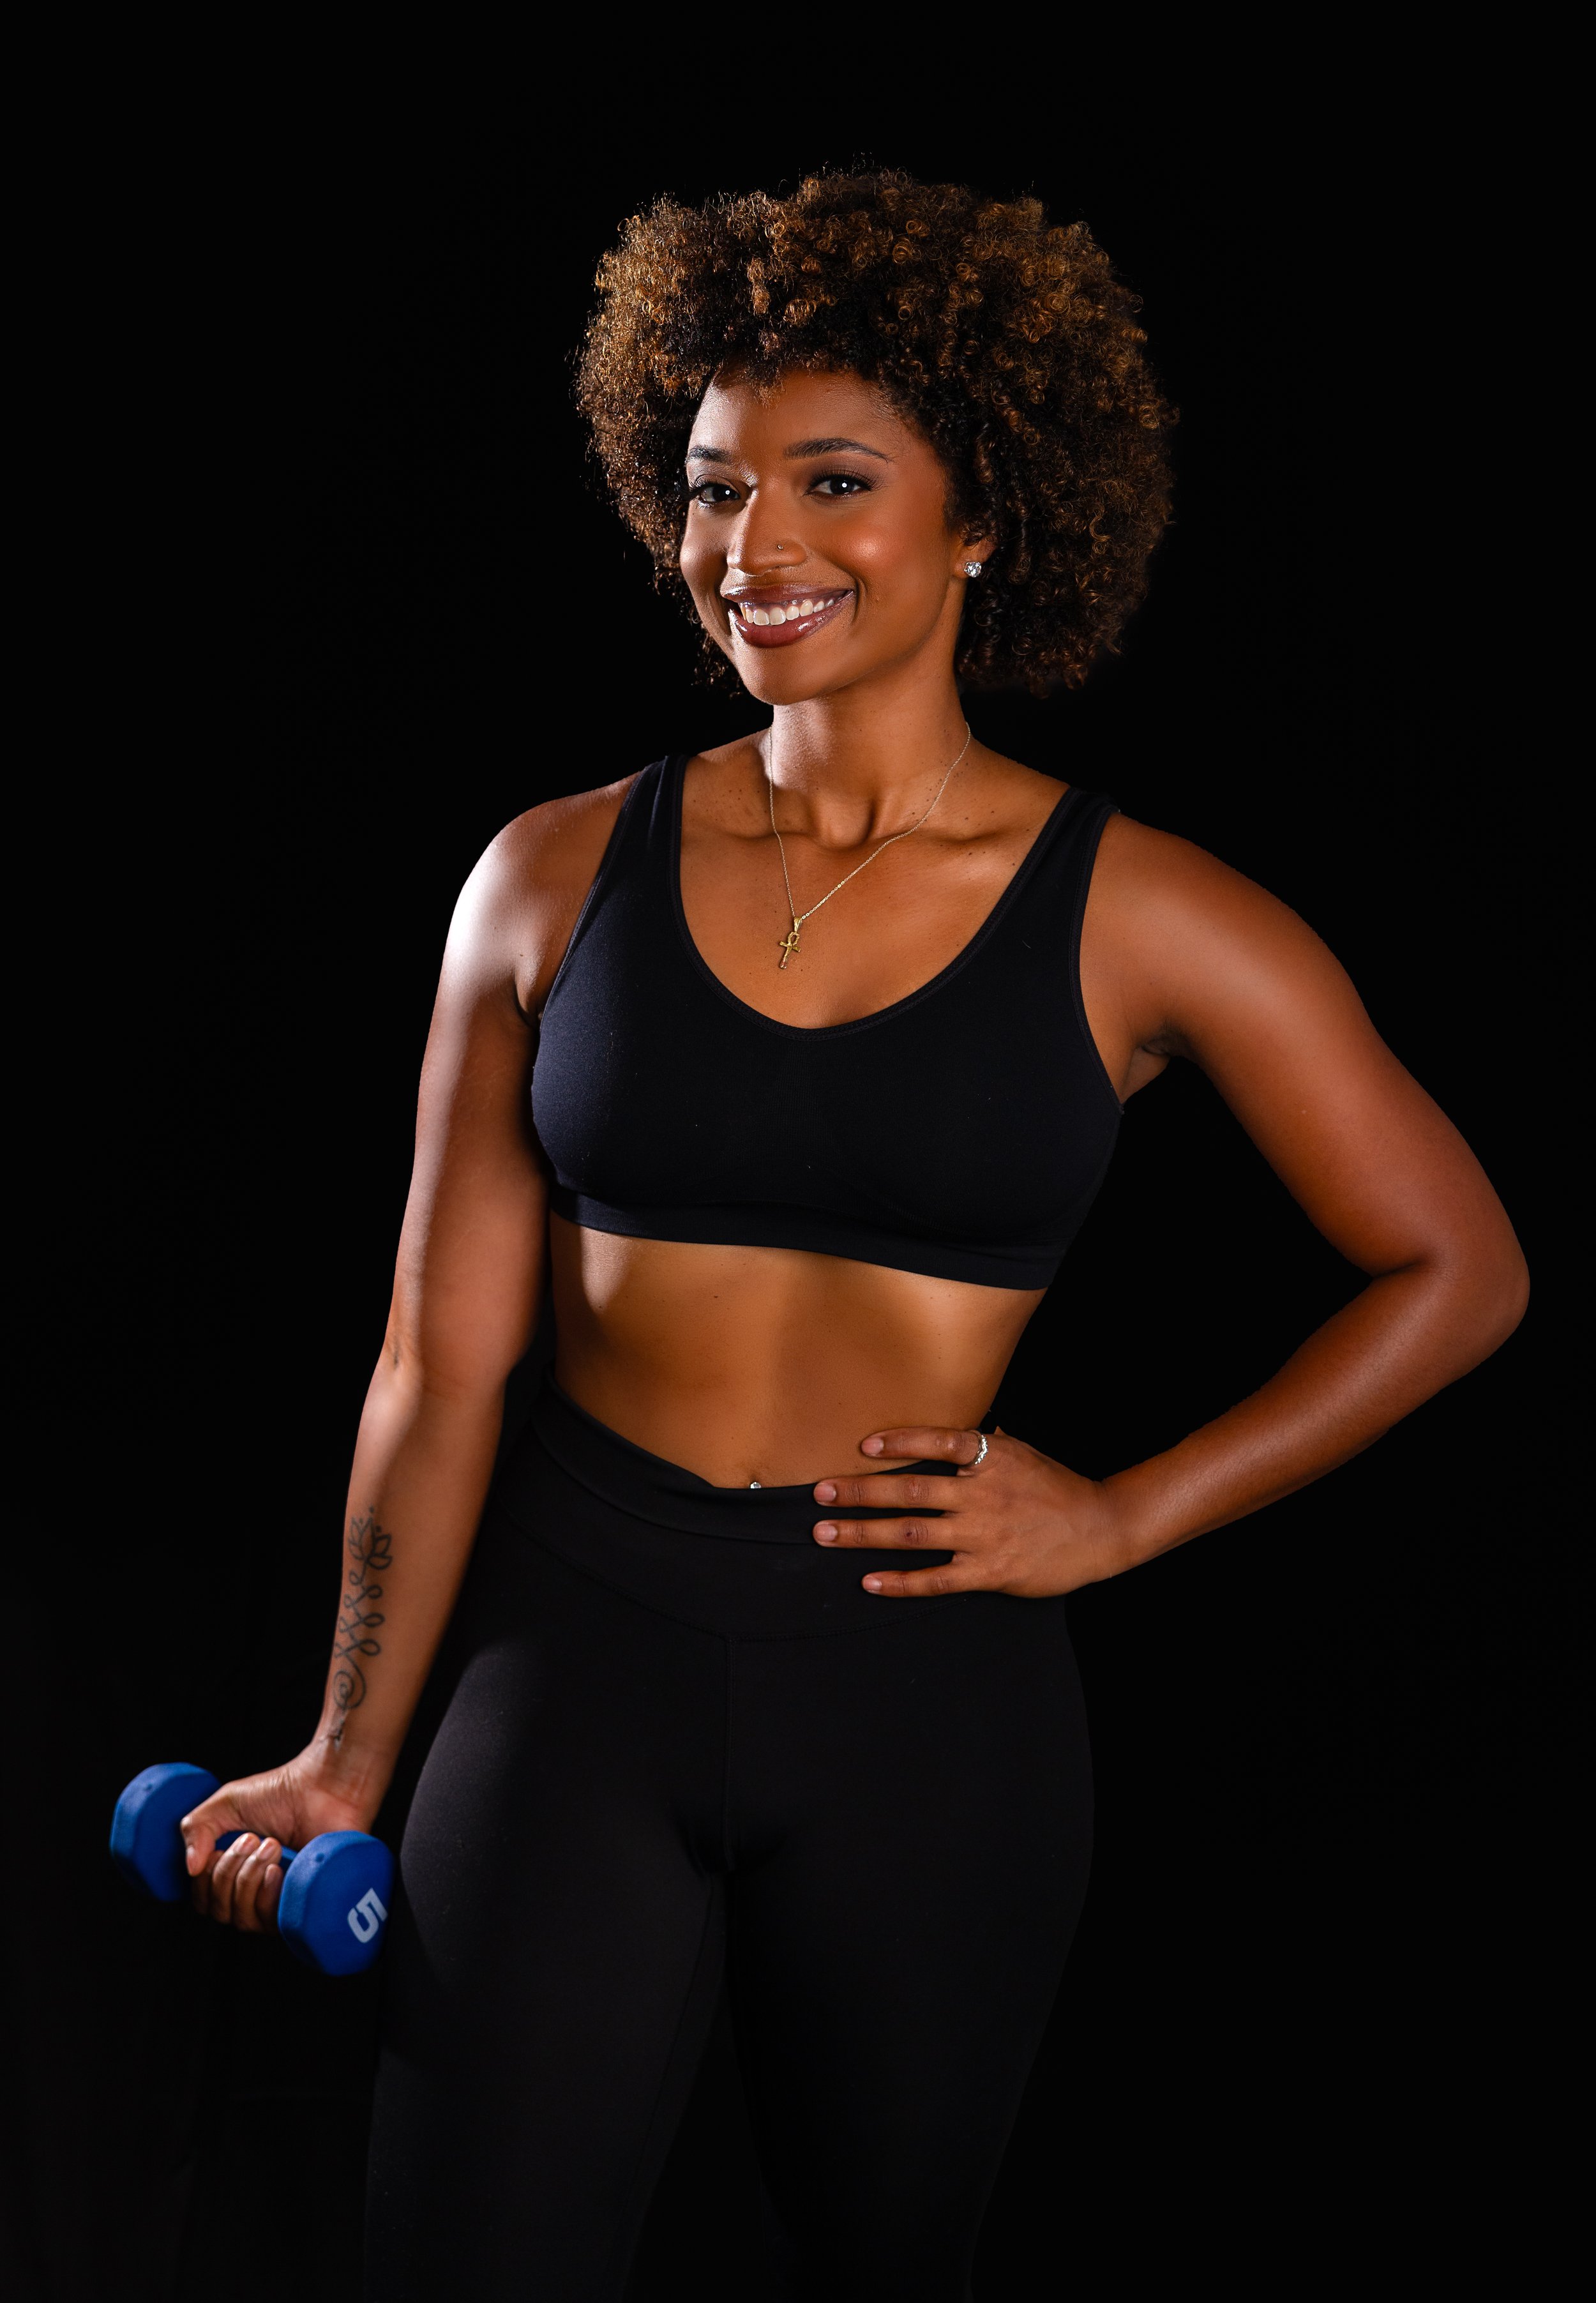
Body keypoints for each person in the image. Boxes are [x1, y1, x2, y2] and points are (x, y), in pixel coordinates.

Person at [176, 174, 1527, 2300]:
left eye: (829, 483)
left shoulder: (1152, 915)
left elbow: (1459, 1266)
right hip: (569, 1655)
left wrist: (1130, 1516)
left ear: (982, 512)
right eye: (714, 490)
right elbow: (437, 1365)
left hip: (925, 1695)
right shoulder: (547, 877)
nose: (754, 550)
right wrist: (350, 1755)